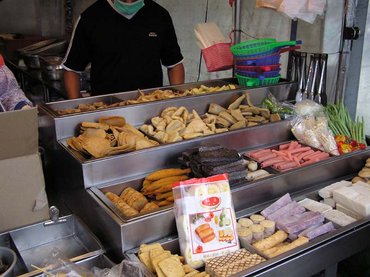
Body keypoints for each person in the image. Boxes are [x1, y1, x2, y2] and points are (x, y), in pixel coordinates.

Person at [62, 0, 185, 99]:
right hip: (105, 112)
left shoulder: (160, 16)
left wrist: (177, 101)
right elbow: (72, 69)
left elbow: (175, 65)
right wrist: (76, 109)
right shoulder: (90, 18)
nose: (129, 1)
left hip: (149, 109)